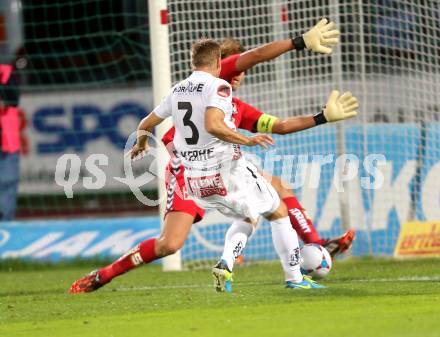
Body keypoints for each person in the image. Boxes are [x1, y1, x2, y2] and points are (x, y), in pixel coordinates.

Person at [69, 19, 349, 293]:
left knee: (266, 198)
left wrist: (321, 117)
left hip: (197, 173)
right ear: (220, 63)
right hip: (186, 171)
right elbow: (256, 57)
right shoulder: (216, 82)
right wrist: (298, 42)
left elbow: (282, 126)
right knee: (172, 243)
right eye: (236, 67)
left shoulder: (220, 100)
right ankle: (289, 267)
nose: (240, 73)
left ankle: (264, 254)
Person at [0, 51, 27, 221]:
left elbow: (13, 98)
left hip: (8, 143)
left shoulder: (5, 71)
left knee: (8, 184)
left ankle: (5, 230)